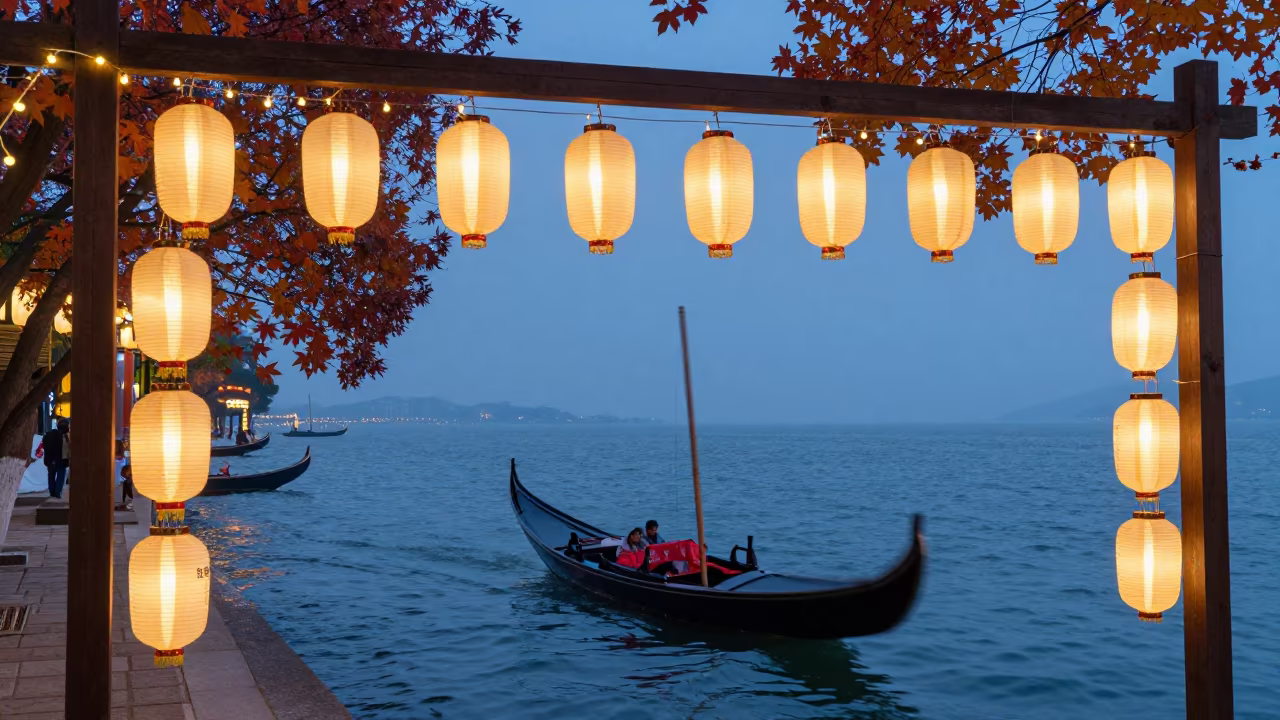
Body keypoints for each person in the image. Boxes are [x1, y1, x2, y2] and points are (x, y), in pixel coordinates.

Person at [42, 418, 69, 499]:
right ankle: (57, 493)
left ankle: (53, 492)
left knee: (52, 476)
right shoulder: (61, 436)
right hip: (59, 460)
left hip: (53, 460)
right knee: (59, 477)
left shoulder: (50, 435)